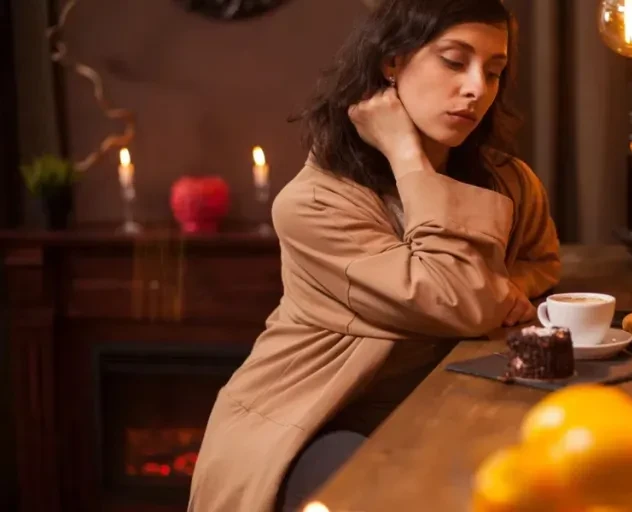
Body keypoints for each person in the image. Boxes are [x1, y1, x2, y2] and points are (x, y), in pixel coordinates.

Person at [187, 0, 561, 511]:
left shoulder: (509, 180)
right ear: (392, 62)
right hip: (312, 423)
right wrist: (407, 157)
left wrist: (503, 288)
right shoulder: (313, 205)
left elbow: (543, 261)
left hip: (438, 409)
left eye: (494, 72)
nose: (477, 88)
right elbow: (457, 300)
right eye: (455, 61)